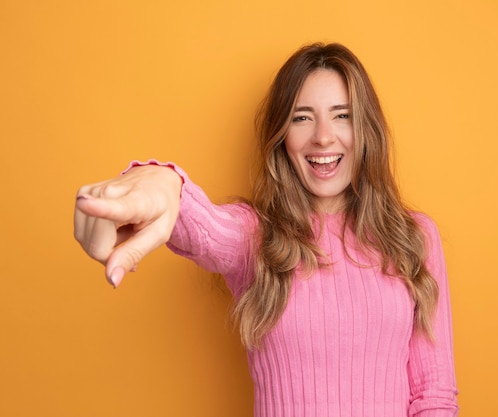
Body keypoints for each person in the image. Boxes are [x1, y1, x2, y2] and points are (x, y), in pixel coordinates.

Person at [74, 42, 459, 417]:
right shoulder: (255, 235)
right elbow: (202, 225)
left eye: (342, 115)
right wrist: (161, 181)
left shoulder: (415, 239)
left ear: (367, 129)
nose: (323, 136)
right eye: (301, 117)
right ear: (281, 136)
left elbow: (434, 394)